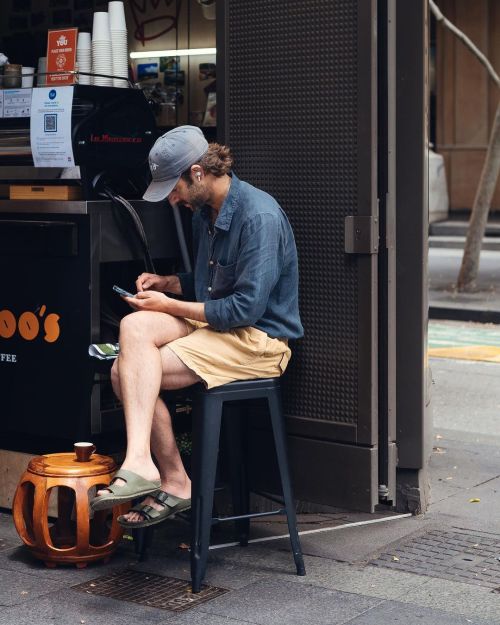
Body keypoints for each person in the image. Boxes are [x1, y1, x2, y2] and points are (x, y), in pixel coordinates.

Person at [90, 125, 304, 528]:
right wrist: (168, 284)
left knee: (124, 372)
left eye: (175, 187)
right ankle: (144, 463)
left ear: (198, 173)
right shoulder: (204, 213)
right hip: (218, 329)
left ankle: (170, 477)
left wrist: (171, 305)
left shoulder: (259, 216)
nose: (172, 199)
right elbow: (208, 286)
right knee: (135, 327)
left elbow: (244, 308)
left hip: (259, 340)